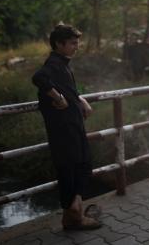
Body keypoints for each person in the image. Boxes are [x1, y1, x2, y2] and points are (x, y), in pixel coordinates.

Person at [32, 24, 101, 230]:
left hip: (72, 125)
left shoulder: (63, 64)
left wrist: (80, 100)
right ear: (58, 44)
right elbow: (38, 78)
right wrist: (58, 97)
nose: (76, 47)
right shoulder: (53, 63)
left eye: (76, 42)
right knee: (70, 169)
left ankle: (71, 214)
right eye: (72, 43)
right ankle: (75, 214)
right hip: (63, 129)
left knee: (80, 165)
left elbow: (67, 88)